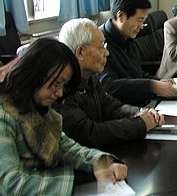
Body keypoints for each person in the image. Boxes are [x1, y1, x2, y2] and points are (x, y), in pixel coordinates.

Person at [0, 38, 127, 196]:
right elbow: (11, 184)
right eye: (55, 84)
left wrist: (101, 161)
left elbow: (68, 148)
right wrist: (73, 181)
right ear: (33, 74)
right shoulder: (4, 114)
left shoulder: (40, 110)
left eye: (63, 86)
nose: (59, 94)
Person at [57, 18, 165, 148]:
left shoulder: (90, 77)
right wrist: (139, 124)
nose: (106, 52)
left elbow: (111, 107)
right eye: (101, 47)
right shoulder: (61, 88)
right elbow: (89, 133)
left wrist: (140, 113)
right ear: (80, 52)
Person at [99, 0, 176, 106]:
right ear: (121, 16)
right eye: (139, 21)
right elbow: (108, 86)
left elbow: (136, 74)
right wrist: (151, 86)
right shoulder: (100, 43)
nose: (141, 27)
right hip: (119, 110)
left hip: (140, 105)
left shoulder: (127, 39)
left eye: (143, 21)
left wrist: (158, 81)